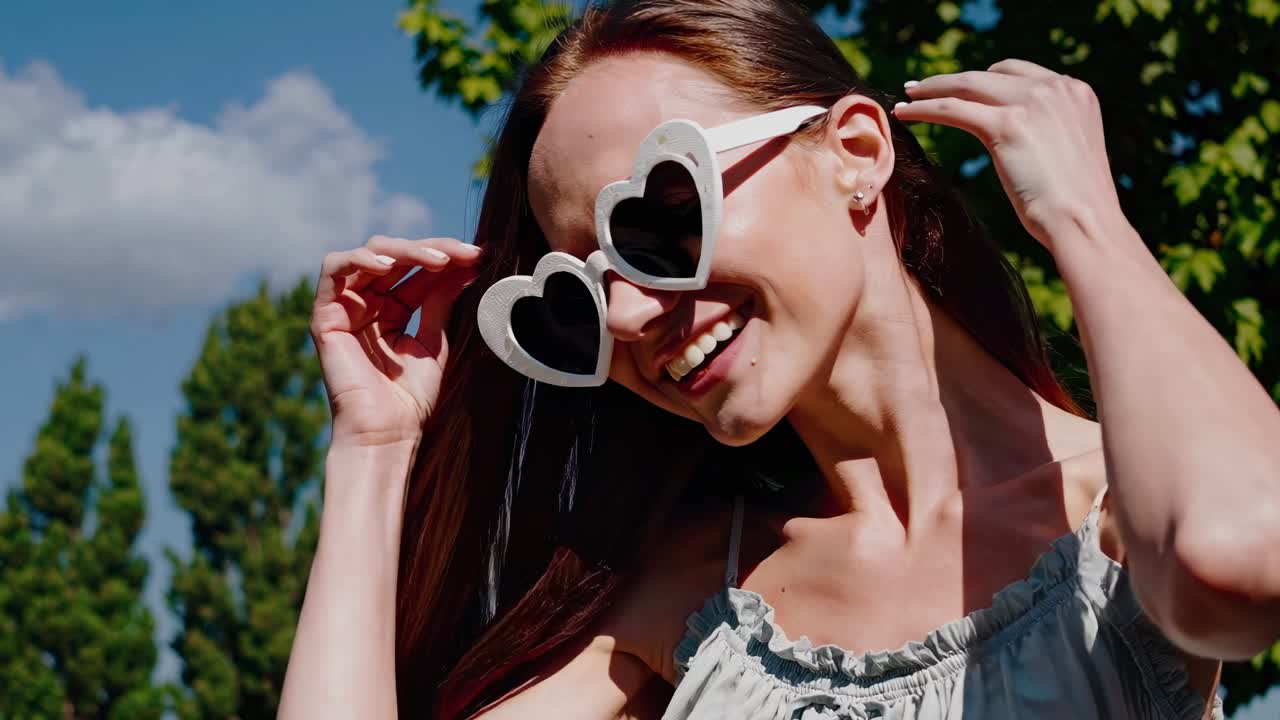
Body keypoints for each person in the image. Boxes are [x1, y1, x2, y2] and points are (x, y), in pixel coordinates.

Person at [279, 1, 1280, 718]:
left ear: (855, 154)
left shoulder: (1121, 512)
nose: (625, 315)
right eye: (573, 300)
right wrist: (372, 450)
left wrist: (1084, 219)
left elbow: (1238, 561)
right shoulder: (693, 593)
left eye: (659, 220)